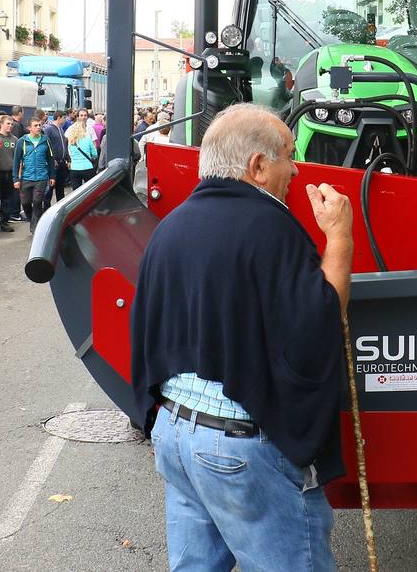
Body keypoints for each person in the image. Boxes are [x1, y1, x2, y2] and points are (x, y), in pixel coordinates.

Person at [131, 104, 352, 571]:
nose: (294, 169)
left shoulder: (170, 227)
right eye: (288, 156)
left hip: (175, 435)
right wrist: (339, 238)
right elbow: (319, 330)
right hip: (239, 448)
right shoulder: (270, 227)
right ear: (257, 165)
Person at [13, 117, 54, 234]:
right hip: (26, 177)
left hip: (41, 177)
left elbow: (50, 159)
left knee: (37, 202)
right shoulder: (22, 141)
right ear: (29, 128)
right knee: (25, 203)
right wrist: (15, 178)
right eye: (35, 125)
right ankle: (32, 219)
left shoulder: (45, 140)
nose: (38, 127)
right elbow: (16, 161)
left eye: (40, 125)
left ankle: (35, 227)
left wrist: (52, 176)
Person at [0, 116, 20, 233]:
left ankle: (4, 222)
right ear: (1, 124)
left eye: (11, 124)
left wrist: (17, 174)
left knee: (7, 200)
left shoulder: (15, 140)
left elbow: (18, 158)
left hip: (9, 173)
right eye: (8, 123)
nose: (10, 126)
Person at [40, 109, 70, 209]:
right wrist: (52, 160)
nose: (65, 120)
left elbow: (63, 145)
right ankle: (46, 209)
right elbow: (46, 145)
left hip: (61, 163)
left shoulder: (61, 129)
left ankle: (60, 208)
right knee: (50, 188)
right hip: (53, 164)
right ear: (59, 118)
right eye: (64, 118)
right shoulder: (48, 129)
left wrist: (67, 158)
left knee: (60, 188)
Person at [65, 117, 99, 190]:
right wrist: (92, 157)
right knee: (90, 190)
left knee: (76, 191)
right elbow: (95, 154)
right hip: (87, 167)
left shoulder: (71, 141)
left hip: (74, 168)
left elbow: (69, 153)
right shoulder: (87, 139)